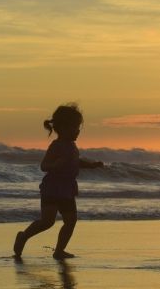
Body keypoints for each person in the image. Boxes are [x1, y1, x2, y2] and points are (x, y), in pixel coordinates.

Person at [14, 104, 103, 260]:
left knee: (71, 220)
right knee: (47, 221)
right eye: (74, 128)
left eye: (79, 128)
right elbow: (44, 166)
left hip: (67, 189)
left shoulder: (72, 146)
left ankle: (59, 250)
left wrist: (91, 165)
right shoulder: (56, 146)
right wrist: (55, 165)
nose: (78, 131)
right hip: (52, 188)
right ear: (62, 128)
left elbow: (75, 161)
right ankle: (24, 236)